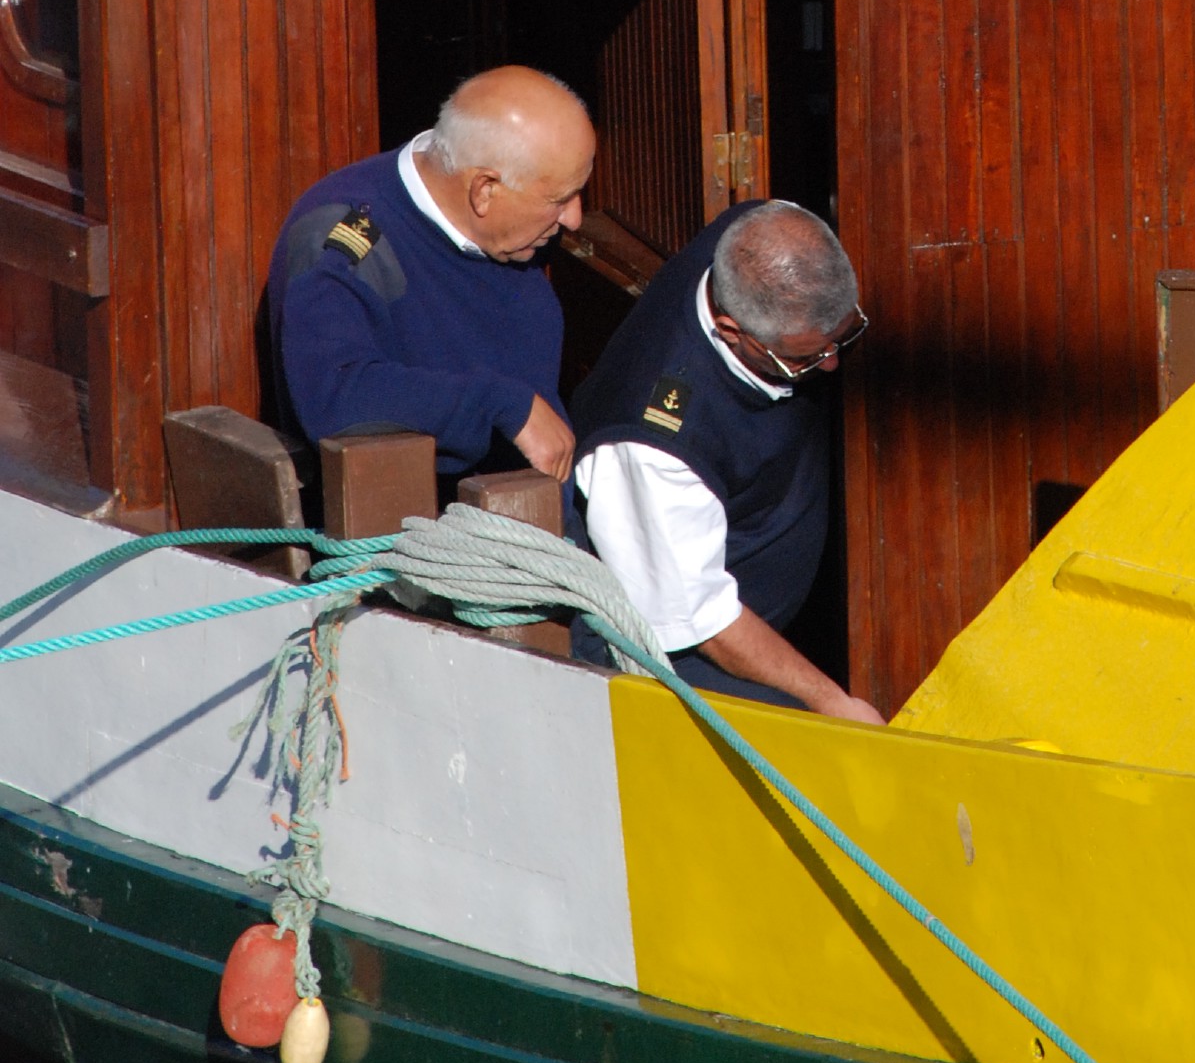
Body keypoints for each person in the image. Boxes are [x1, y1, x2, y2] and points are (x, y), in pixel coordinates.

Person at [571, 199, 883, 723]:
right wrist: (833, 701)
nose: (831, 365)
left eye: (843, 337)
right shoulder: (654, 445)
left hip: (757, 591)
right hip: (684, 650)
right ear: (732, 330)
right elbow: (705, 622)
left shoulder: (756, 229)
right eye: (803, 359)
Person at [267, 66, 590, 491]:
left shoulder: (517, 231)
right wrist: (499, 405)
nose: (574, 218)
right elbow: (335, 393)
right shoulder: (344, 239)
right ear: (484, 190)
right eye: (559, 199)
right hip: (425, 521)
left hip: (539, 509)